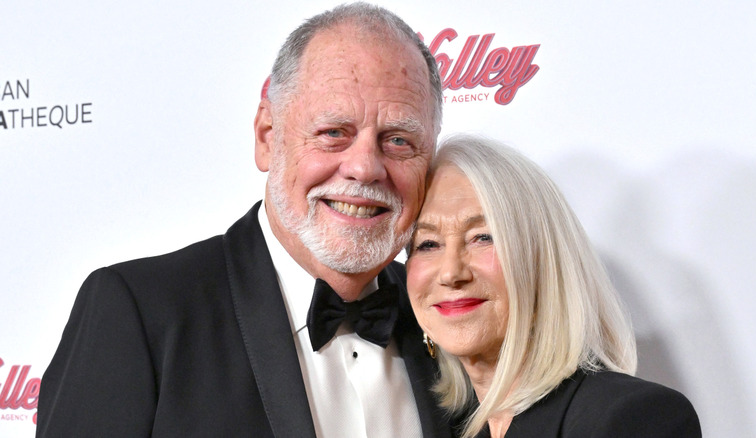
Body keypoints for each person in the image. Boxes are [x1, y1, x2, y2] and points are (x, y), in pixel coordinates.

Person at [37, 3, 451, 437]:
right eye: (334, 133)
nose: (365, 168)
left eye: (399, 140)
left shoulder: (449, 314)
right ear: (267, 138)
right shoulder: (139, 313)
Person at [405, 134, 701, 438]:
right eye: (427, 244)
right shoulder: (451, 427)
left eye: (483, 237)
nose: (451, 272)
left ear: (543, 261)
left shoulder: (633, 417)